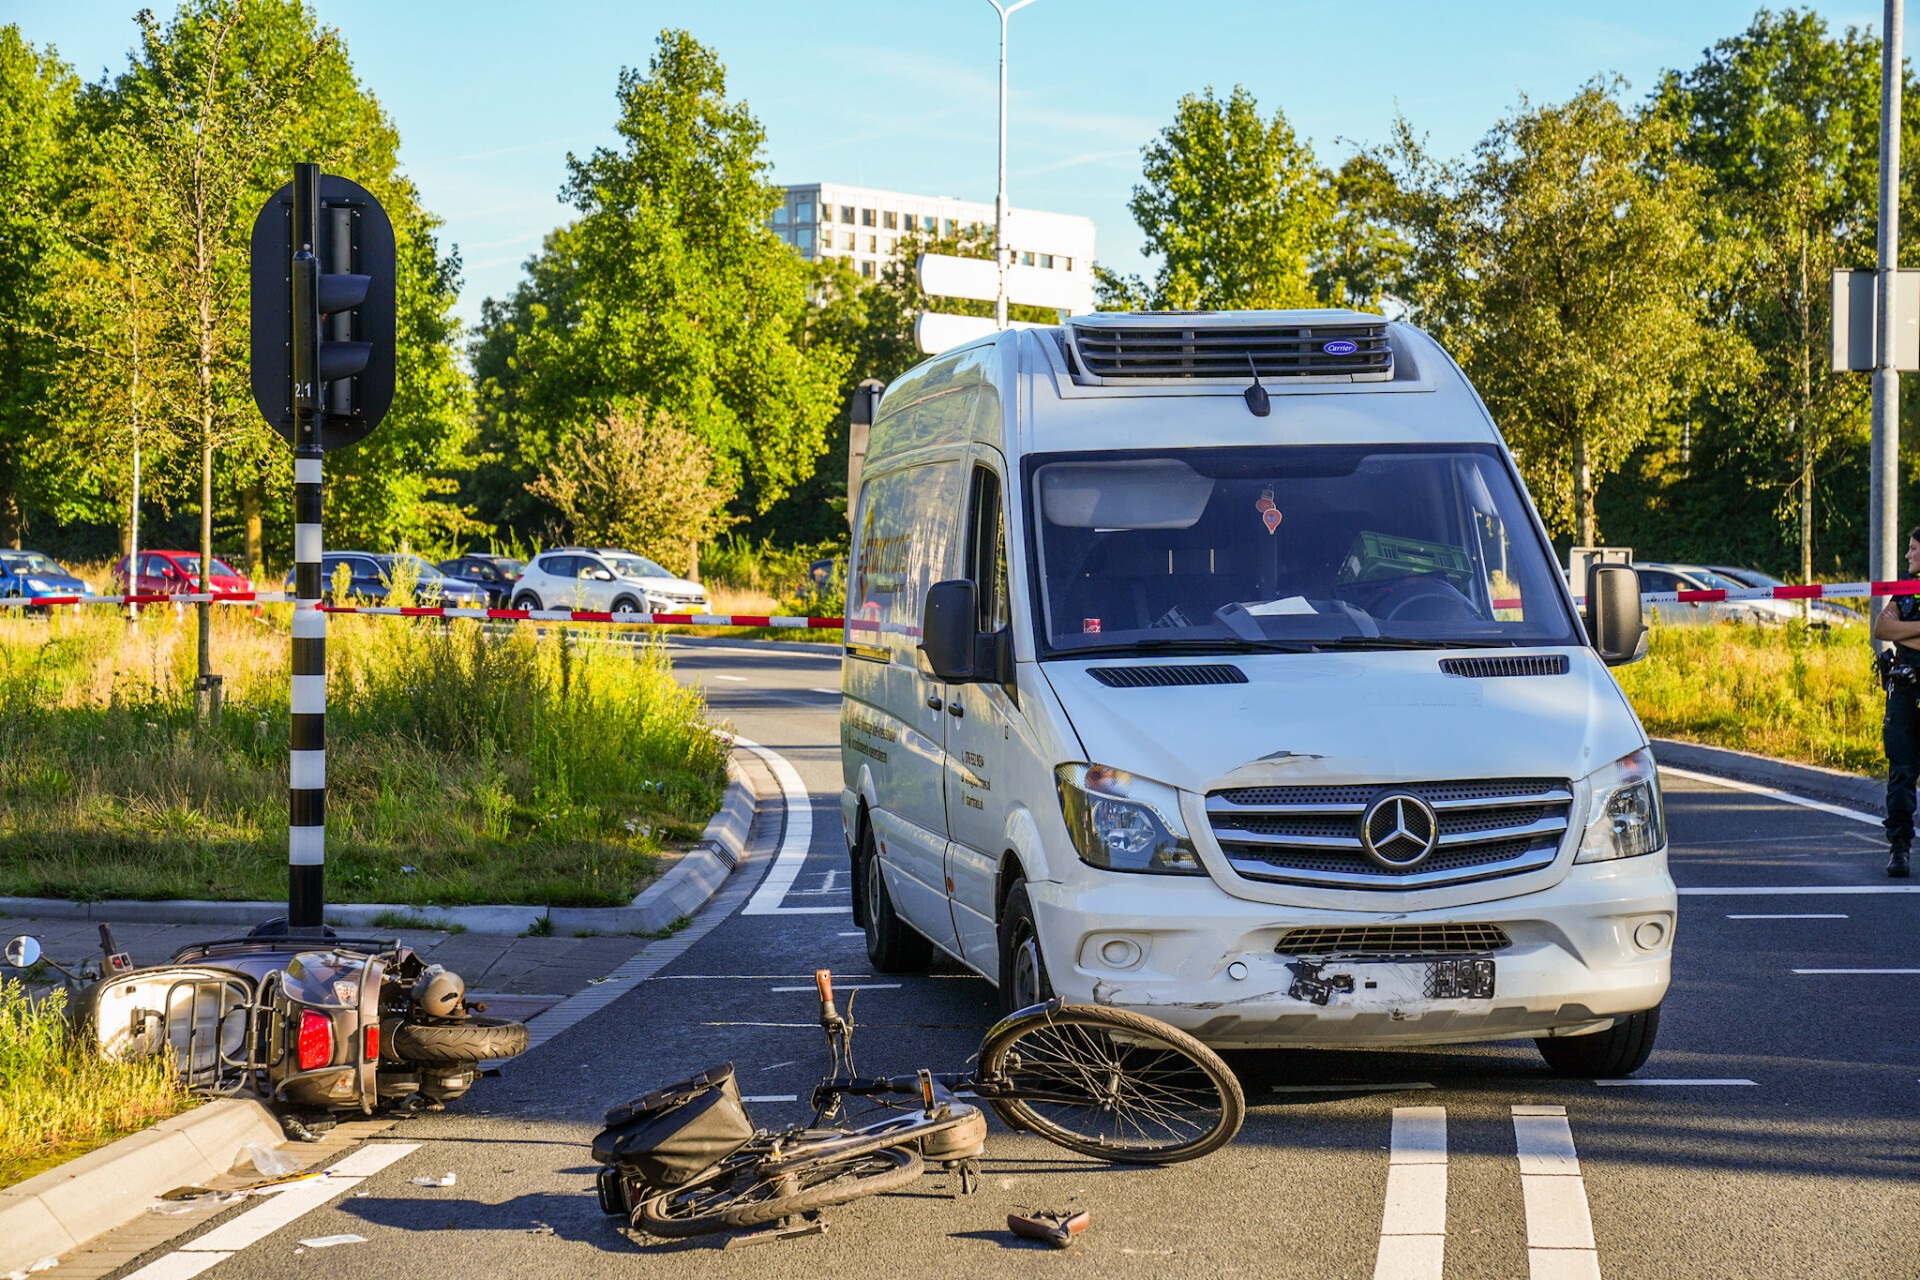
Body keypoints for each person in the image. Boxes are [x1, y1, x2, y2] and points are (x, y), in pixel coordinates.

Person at [1870, 528, 1920, 877]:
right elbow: (1881, 629)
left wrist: (1909, 630)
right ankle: (1899, 848)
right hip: (1904, 690)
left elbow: (1895, 629)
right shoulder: (1906, 590)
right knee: (1901, 773)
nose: (1907, 555)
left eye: (1913, 549)